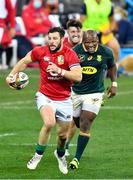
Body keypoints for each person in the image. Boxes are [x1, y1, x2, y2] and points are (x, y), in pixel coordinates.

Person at [6, 27, 82, 174]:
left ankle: (60, 155)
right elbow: (24, 61)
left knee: (62, 136)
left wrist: (59, 70)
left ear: (61, 39)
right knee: (49, 123)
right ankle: (37, 155)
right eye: (50, 38)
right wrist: (11, 75)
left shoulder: (69, 54)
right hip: (45, 96)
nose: (51, 41)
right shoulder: (40, 51)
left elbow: (78, 77)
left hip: (65, 99)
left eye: (55, 38)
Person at [69, 29, 117, 170]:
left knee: (85, 122)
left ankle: (76, 158)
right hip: (76, 92)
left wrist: (114, 84)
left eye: (94, 41)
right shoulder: (74, 51)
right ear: (83, 41)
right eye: (88, 42)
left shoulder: (106, 52)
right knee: (76, 120)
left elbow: (112, 66)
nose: (91, 45)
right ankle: (65, 146)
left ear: (98, 40)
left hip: (95, 93)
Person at [63, 19, 83, 156]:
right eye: (72, 31)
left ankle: (65, 145)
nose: (75, 34)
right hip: (62, 88)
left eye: (77, 31)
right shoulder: (62, 46)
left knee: (75, 121)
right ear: (67, 33)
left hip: (80, 89)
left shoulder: (87, 45)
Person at [0, 0, 16, 69]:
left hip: (1, 23)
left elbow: (10, 9)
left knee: (3, 39)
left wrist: (12, 26)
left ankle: (1, 60)